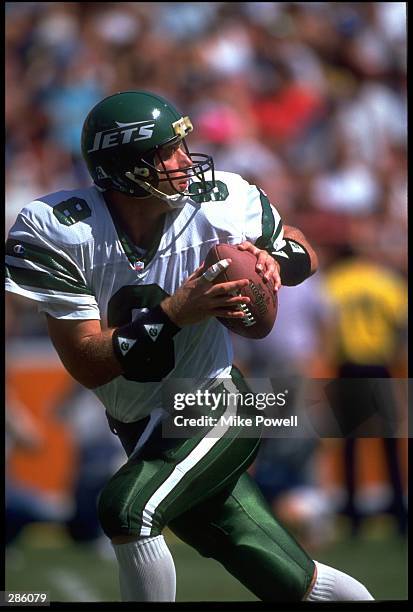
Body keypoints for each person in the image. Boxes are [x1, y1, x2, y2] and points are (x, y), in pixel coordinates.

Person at [5, 90, 373, 602]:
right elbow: (89, 364)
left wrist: (275, 265)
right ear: (127, 165)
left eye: (183, 145)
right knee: (295, 581)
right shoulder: (59, 229)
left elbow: (300, 245)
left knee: (127, 510)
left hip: (216, 403)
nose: (185, 160)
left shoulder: (222, 202)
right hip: (139, 425)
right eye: (167, 151)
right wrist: (176, 312)